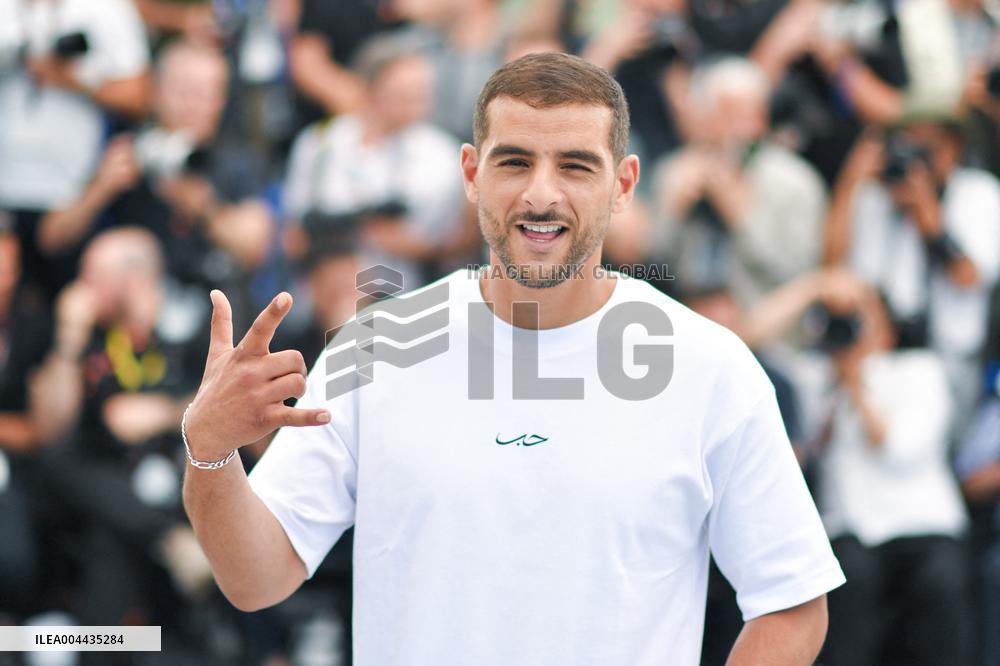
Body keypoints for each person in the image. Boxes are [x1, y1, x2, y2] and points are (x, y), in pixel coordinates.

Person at [182, 53, 844, 664]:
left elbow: (792, 602)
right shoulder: (377, 349)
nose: (541, 194)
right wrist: (210, 451)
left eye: (575, 166)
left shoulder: (709, 366)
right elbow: (254, 578)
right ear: (472, 174)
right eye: (515, 162)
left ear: (623, 184)